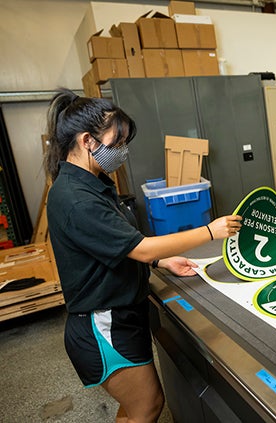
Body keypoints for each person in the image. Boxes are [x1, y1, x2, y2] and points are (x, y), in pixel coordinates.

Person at [44, 88, 242, 423]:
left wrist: (160, 261)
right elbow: (140, 246)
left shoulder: (93, 183)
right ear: (88, 141)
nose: (122, 151)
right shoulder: (76, 198)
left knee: (138, 407)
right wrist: (211, 231)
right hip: (103, 323)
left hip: (121, 314)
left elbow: (116, 243)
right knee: (147, 405)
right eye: (116, 142)